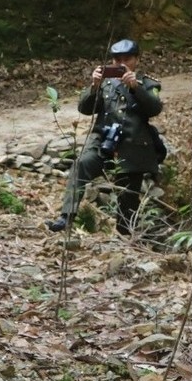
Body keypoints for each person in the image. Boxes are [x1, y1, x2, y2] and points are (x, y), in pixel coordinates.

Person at [47, 39, 164, 235]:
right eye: (117, 59)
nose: (122, 63)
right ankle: (66, 217)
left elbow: (154, 108)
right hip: (103, 141)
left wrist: (136, 88)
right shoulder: (105, 82)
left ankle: (125, 237)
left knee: (128, 198)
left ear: (137, 59)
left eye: (127, 59)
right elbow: (84, 109)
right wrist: (94, 86)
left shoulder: (148, 83)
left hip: (132, 145)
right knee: (81, 164)